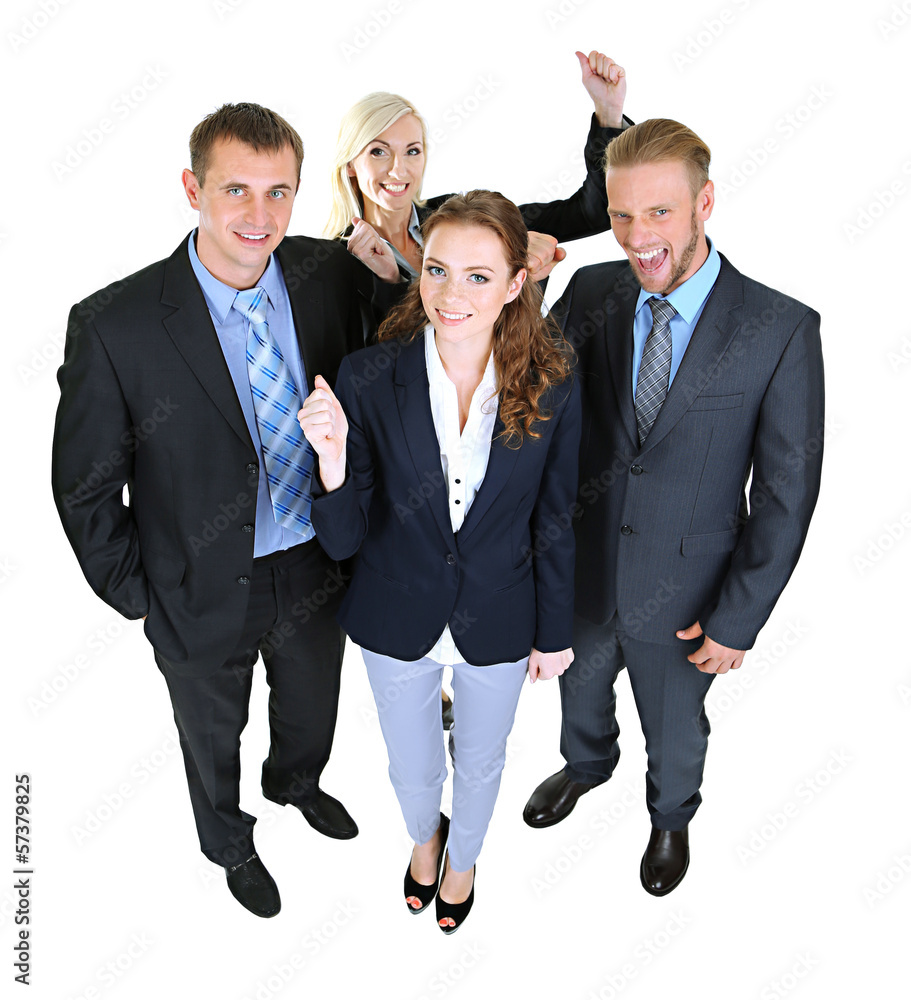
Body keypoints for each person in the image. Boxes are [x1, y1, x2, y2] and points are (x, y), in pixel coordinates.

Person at [51, 103, 400, 919]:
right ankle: (227, 838)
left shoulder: (328, 274)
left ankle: (296, 783)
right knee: (211, 731)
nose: (259, 216)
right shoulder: (115, 324)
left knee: (312, 703)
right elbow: (85, 485)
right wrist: (143, 591)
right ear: (192, 188)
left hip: (316, 560)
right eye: (236, 189)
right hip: (195, 580)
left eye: (280, 192)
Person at [523, 119, 825, 896]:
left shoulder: (780, 328)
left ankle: (669, 814)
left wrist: (738, 619)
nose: (635, 235)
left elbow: (786, 493)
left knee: (676, 724)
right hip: (585, 573)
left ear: (704, 204)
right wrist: (520, 293)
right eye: (621, 215)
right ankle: (586, 765)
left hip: (690, 595)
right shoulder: (591, 291)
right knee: (579, 691)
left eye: (658, 212)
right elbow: (531, 403)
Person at [299, 190, 580, 932]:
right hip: (395, 613)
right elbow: (342, 540)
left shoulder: (550, 383)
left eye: (478, 277)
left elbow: (554, 518)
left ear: (517, 283)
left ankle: (463, 863)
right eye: (437, 271)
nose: (451, 296)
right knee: (413, 765)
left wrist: (554, 631)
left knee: (482, 762)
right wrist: (331, 460)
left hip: (500, 614)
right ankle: (424, 842)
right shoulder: (364, 377)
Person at [326, 50, 630, 285]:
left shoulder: (459, 214)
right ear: (351, 163)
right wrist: (390, 281)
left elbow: (590, 213)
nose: (398, 169)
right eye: (379, 151)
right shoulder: (338, 260)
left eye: (412, 151)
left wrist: (608, 114)